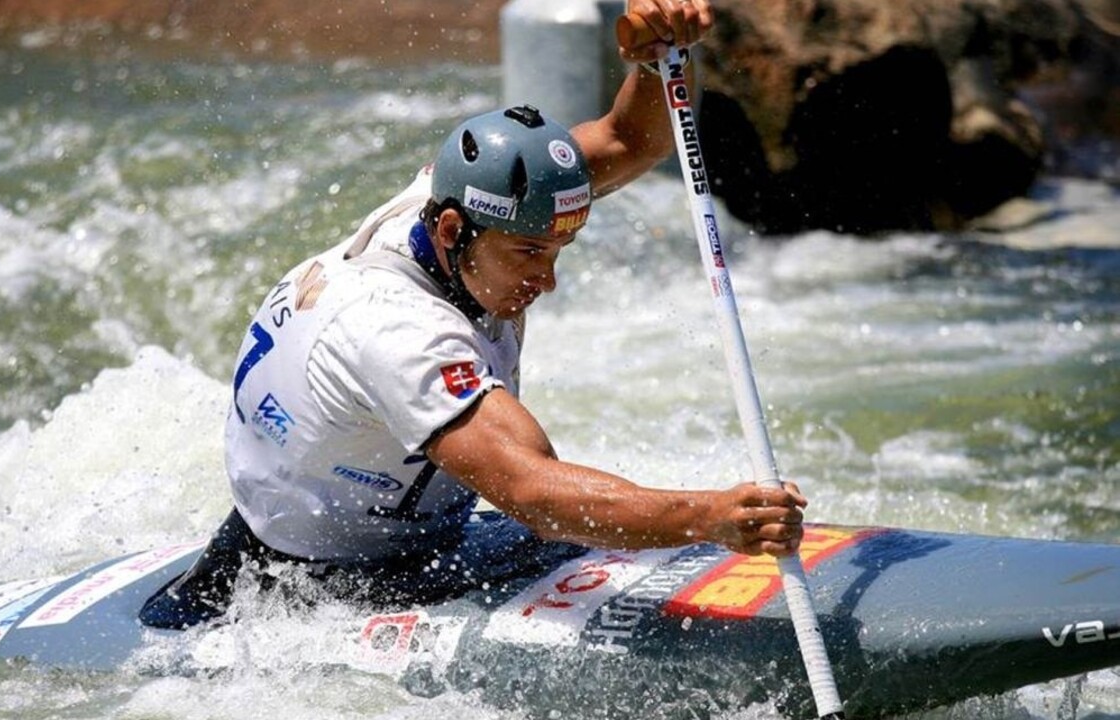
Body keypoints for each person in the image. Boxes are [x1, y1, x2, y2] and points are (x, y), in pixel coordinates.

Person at [140, 0, 807, 630]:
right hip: (311, 586)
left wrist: (658, 60)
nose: (546, 279)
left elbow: (626, 140)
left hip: (406, 535)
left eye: (559, 249)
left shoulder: (465, 204)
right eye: (528, 254)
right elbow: (532, 492)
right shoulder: (396, 328)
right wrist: (709, 517)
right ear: (454, 229)